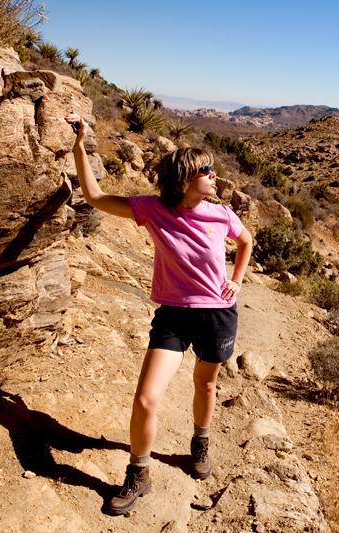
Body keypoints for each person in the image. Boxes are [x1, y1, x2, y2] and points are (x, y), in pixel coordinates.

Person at [65, 112, 253, 515]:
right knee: (147, 399)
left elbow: (246, 241)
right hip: (173, 315)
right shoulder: (153, 209)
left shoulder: (221, 214)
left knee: (205, 385)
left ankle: (200, 442)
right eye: (207, 170)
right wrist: (80, 145)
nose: (215, 176)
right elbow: (95, 198)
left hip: (218, 314)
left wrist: (236, 278)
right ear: (185, 179)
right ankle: (139, 472)